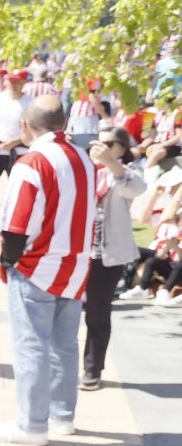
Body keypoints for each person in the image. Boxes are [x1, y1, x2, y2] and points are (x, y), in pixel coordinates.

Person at [0, 95, 96, 445]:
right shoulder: (83, 158)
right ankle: (63, 416)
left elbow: (17, 224)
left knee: (31, 344)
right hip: (75, 266)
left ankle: (32, 424)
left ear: (26, 127)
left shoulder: (31, 163)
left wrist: (7, 261)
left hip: (37, 266)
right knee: (64, 345)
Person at [80, 127, 146, 390]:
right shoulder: (83, 171)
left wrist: (110, 163)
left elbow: (137, 188)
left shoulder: (126, 174)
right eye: (96, 141)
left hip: (106, 257)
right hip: (76, 254)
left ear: (120, 147)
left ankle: (92, 368)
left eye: (108, 143)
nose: (100, 147)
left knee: (97, 313)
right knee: (65, 311)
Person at [0, 69, 31, 242]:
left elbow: (32, 131)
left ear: (24, 82)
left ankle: (16, 228)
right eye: (11, 81)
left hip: (18, 151)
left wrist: (15, 142)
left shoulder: (29, 103)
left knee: (18, 192)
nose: (14, 84)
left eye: (17, 81)